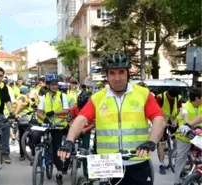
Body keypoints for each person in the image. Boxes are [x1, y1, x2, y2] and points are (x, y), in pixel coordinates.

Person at [58, 52, 166, 185]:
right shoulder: (98, 98)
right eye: (112, 73)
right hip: (107, 165)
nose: (117, 78)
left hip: (137, 162)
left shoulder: (143, 94)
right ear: (107, 76)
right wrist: (69, 141)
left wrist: (151, 141)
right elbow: (80, 119)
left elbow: (158, 119)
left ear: (128, 73)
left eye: (121, 72)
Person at [37, 74, 69, 185]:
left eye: (56, 84)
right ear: (47, 85)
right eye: (52, 84)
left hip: (59, 126)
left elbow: (66, 110)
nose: (55, 86)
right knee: (38, 139)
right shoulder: (44, 97)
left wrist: (54, 112)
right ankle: (38, 158)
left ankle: (59, 173)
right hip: (47, 125)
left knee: (57, 149)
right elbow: (39, 112)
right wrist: (44, 118)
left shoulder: (62, 96)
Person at [173, 88, 202, 185]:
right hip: (184, 137)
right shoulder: (185, 107)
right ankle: (176, 181)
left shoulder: (201, 106)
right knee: (181, 158)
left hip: (198, 137)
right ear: (197, 98)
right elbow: (185, 116)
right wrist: (187, 125)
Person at [155, 86, 182, 174]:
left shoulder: (178, 97)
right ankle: (161, 164)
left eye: (174, 98)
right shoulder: (160, 97)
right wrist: (162, 121)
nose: (172, 99)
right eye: (171, 97)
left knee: (177, 139)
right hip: (162, 120)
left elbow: (179, 111)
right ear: (168, 94)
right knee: (162, 142)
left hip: (173, 120)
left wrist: (175, 120)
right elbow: (155, 111)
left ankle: (175, 158)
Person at [69, 92, 94, 178]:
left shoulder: (93, 108)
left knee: (85, 152)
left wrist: (86, 129)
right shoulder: (74, 108)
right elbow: (70, 119)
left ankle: (86, 174)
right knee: (67, 146)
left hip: (86, 131)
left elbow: (95, 123)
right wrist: (73, 128)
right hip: (76, 130)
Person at [14, 86, 34, 161]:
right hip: (26, 119)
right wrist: (15, 113)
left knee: (22, 137)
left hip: (21, 120)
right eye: (29, 92)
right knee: (31, 136)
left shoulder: (24, 98)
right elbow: (19, 104)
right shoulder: (22, 97)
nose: (29, 93)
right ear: (26, 92)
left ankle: (22, 155)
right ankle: (31, 153)